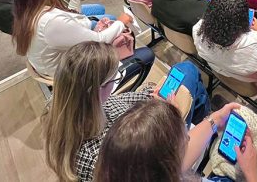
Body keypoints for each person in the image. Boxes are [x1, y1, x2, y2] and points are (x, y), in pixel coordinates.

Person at [43, 42, 210, 182]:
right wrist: (172, 116)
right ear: (95, 91)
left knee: (186, 72)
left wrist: (152, 95)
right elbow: (163, 169)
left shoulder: (64, 107)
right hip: (163, 153)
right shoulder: (100, 157)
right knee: (189, 71)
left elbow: (122, 102)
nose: (118, 81)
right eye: (114, 79)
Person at [11, 0, 153, 78]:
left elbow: (70, 18)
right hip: (74, 75)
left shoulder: (26, 12)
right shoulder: (51, 23)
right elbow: (99, 40)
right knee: (146, 54)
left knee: (103, 14)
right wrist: (121, 22)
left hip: (63, 58)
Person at [95, 100, 257, 182]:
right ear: (167, 166)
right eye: (186, 139)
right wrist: (251, 174)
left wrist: (216, 118)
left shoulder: (127, 168)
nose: (190, 137)